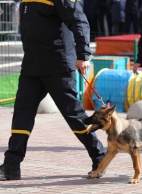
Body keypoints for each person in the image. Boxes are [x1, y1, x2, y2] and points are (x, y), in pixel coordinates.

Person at [0, 0, 106, 181]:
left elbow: (79, 20)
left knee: (74, 115)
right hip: (32, 65)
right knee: (21, 114)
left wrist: (83, 55)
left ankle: (99, 157)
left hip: (58, 64)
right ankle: (11, 165)